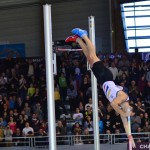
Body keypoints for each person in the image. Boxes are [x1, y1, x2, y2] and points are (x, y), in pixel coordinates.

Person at [65, 28, 136, 148]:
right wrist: (122, 112)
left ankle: (78, 40)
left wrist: (130, 137)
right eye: (130, 111)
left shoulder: (123, 110)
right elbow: (113, 104)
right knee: (92, 56)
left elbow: (126, 125)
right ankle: (84, 36)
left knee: (89, 58)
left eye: (129, 114)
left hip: (102, 80)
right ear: (130, 106)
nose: (128, 113)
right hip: (106, 77)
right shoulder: (124, 98)